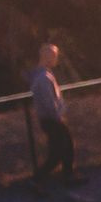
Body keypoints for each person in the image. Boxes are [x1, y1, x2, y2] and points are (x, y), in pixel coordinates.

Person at [30, 42, 74, 183]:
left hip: (52, 118)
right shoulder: (43, 78)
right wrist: (58, 116)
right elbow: (49, 102)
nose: (56, 59)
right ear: (47, 57)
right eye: (54, 56)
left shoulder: (44, 75)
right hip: (52, 119)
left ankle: (68, 176)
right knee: (59, 151)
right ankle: (38, 179)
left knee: (65, 148)